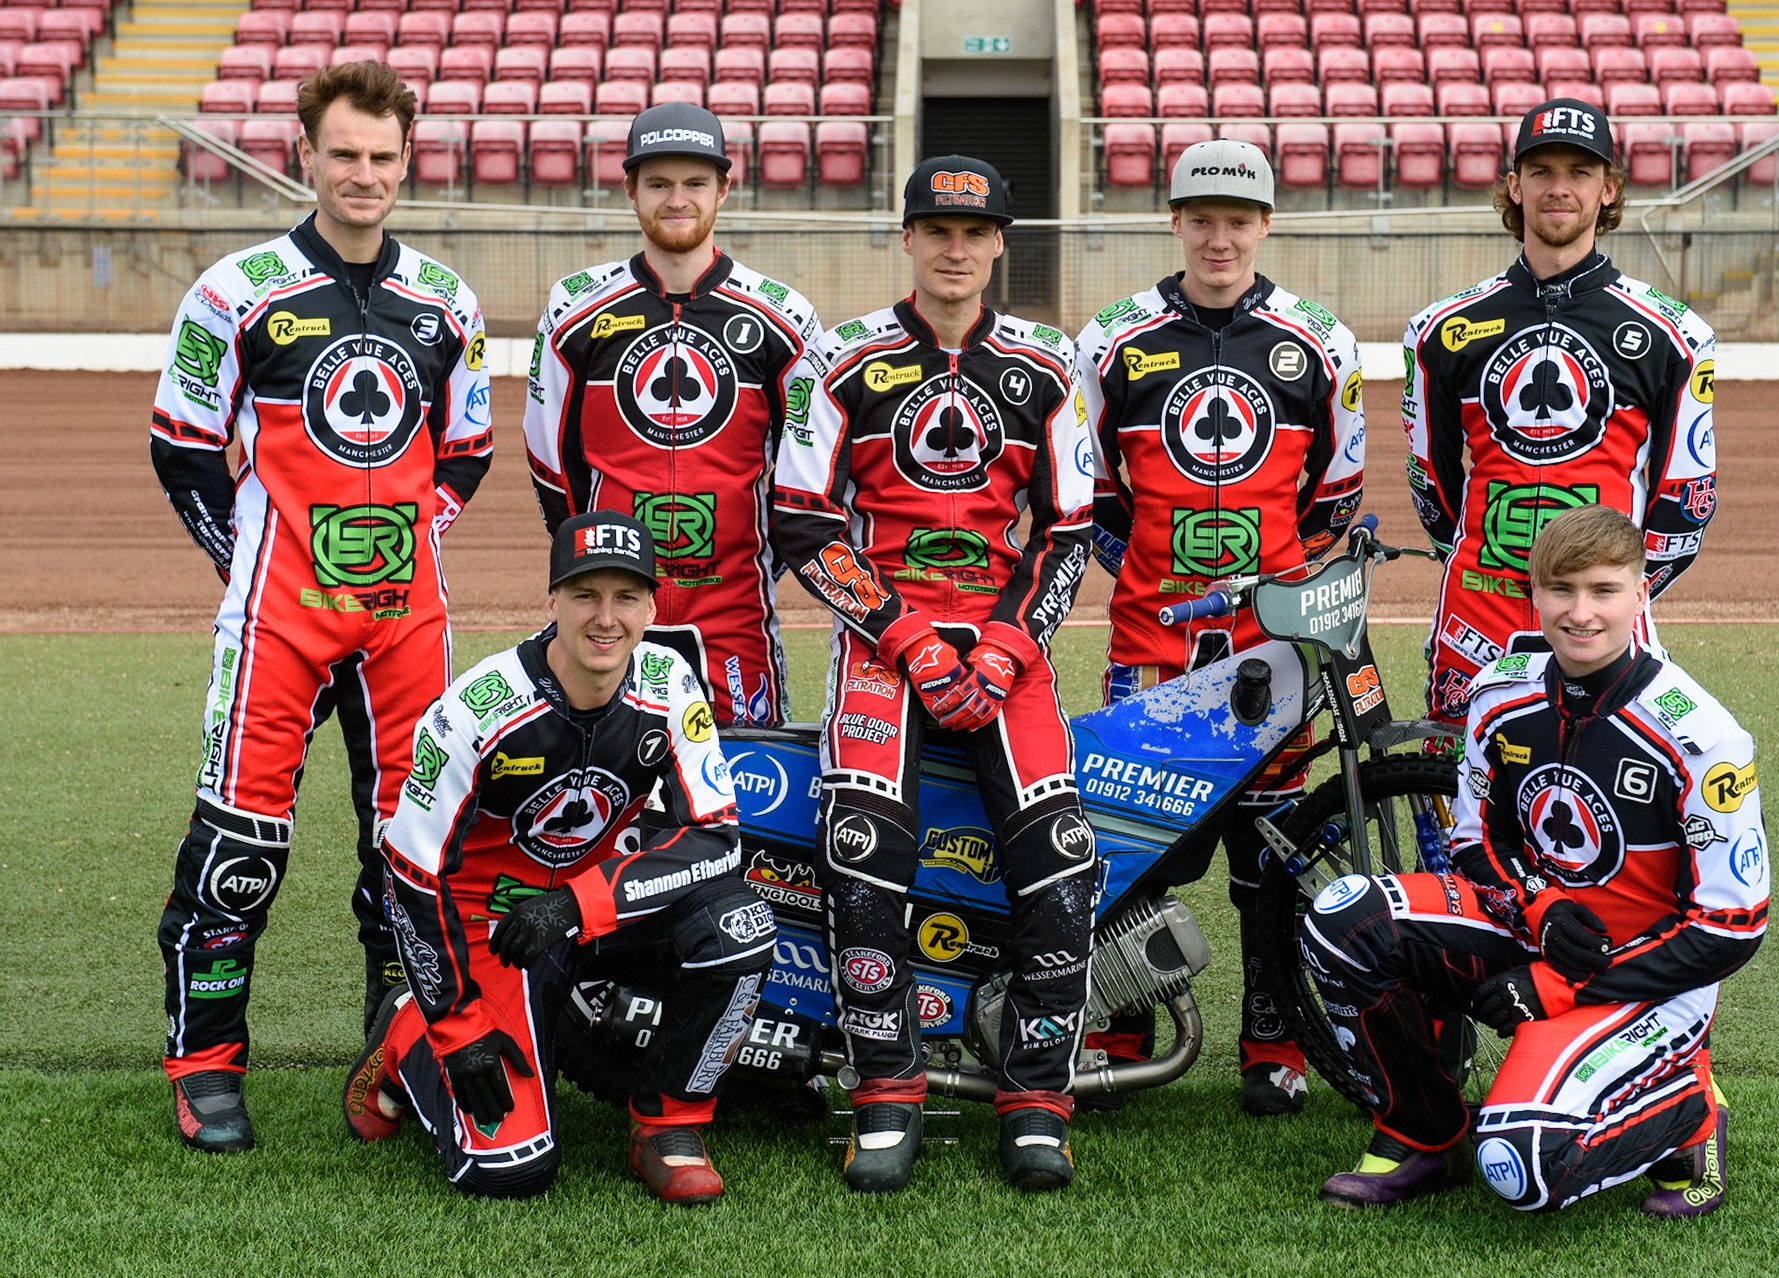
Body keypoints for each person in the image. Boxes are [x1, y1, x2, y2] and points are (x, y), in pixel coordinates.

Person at [151, 61, 492, 1153]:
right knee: (239, 845)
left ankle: (399, 1052)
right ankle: (205, 1067)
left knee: (414, 847)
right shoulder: (233, 291)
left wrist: (399, 547)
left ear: (407, 161)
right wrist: (253, 560)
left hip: (409, 623)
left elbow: (468, 451)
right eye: (344, 153)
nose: (363, 174)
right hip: (278, 622)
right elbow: (181, 448)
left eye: (383, 157)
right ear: (306, 154)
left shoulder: (449, 301)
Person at [772, 156, 1097, 1194]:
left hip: (1007, 646)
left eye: (976, 233)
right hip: (884, 646)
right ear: (906, 238)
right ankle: (886, 1090)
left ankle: (1037, 1100)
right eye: (937, 231)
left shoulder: (1049, 365)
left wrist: (1004, 646)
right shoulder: (840, 361)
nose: (956, 250)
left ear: (1000, 244)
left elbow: (1071, 529)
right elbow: (802, 522)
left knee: (1062, 859)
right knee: (861, 851)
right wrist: (907, 635)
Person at [1301, 504, 1767, 1216]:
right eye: (1562, 590)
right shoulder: (1500, 691)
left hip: (1643, 977)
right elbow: (1473, 841)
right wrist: (1539, 905)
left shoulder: (1704, 737)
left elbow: (1731, 929)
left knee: (1520, 1167)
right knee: (1343, 919)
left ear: (1641, 593)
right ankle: (1423, 1135)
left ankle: (1691, 1110)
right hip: (1529, 929)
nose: (1581, 613)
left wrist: (1563, 985)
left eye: (1604, 591)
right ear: (1535, 592)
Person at [341, 511, 774, 1203]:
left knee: (739, 925)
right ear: (552, 602)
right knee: (510, 1172)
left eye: (626, 597)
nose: (606, 618)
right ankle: (408, 1031)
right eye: (585, 595)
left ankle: (670, 1124)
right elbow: (411, 875)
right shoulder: (474, 711)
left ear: (652, 607)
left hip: (589, 906)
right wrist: (456, 1029)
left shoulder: (670, 683)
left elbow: (715, 838)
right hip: (492, 930)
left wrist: (578, 903)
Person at [1072, 138, 1365, 1115]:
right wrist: (1165, 581)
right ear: (1175, 221)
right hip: (1150, 645)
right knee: (1131, 845)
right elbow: (1092, 494)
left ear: (1265, 224)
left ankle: (1272, 1036)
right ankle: (1119, 1028)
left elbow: (1335, 498)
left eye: (1238, 220)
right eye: (1201, 218)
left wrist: (1262, 588)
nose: (1219, 238)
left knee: (1270, 852)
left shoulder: (1320, 341)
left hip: (1271, 651)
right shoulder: (1112, 339)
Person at [1403, 99, 1717, 727]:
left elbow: (1685, 495)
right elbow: (1431, 481)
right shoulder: (1439, 328)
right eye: (1541, 171)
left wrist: (1611, 594)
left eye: (1579, 172)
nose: (1559, 188)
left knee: (1602, 780)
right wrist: (1484, 558)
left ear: (1609, 189)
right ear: (1514, 186)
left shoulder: (1676, 334)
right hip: (1476, 614)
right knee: (1463, 781)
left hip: (1601, 620)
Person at [523, 101, 819, 728]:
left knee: (747, 775)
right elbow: (550, 461)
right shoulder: (575, 309)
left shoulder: (785, 318)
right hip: (612, 605)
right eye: (658, 183)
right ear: (630, 190)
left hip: (735, 607)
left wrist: (761, 561)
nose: (677, 199)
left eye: (694, 183)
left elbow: (807, 469)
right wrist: (594, 562)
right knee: (602, 769)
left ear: (723, 190)